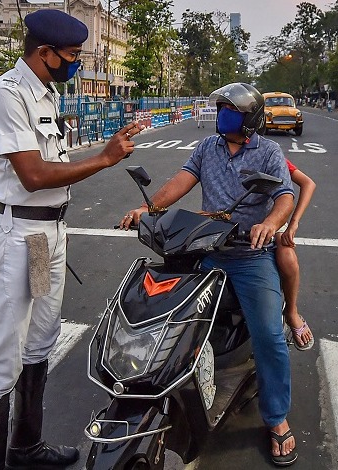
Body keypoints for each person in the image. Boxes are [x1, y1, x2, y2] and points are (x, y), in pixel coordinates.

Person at [0, 9, 143, 470]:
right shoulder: (5, 96)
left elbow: (55, 163)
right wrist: (106, 160)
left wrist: (108, 146)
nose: (75, 64)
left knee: (40, 339)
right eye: (69, 56)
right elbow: (32, 175)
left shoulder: (44, 94)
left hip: (44, 240)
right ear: (43, 52)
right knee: (4, 356)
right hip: (17, 235)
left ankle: (25, 447)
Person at [120, 83, 297, 467]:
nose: (221, 116)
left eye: (229, 110)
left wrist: (268, 223)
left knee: (269, 334)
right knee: (170, 315)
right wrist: (146, 210)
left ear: (248, 118)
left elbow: (285, 195)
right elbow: (178, 185)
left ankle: (277, 418)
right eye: (220, 109)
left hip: (249, 255)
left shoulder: (268, 151)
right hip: (203, 249)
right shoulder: (207, 148)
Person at [276, 159, 316, 350]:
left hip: (272, 220)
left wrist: (293, 223)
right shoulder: (214, 150)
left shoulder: (268, 153)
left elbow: (308, 183)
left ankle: (291, 311)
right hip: (229, 219)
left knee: (287, 257)